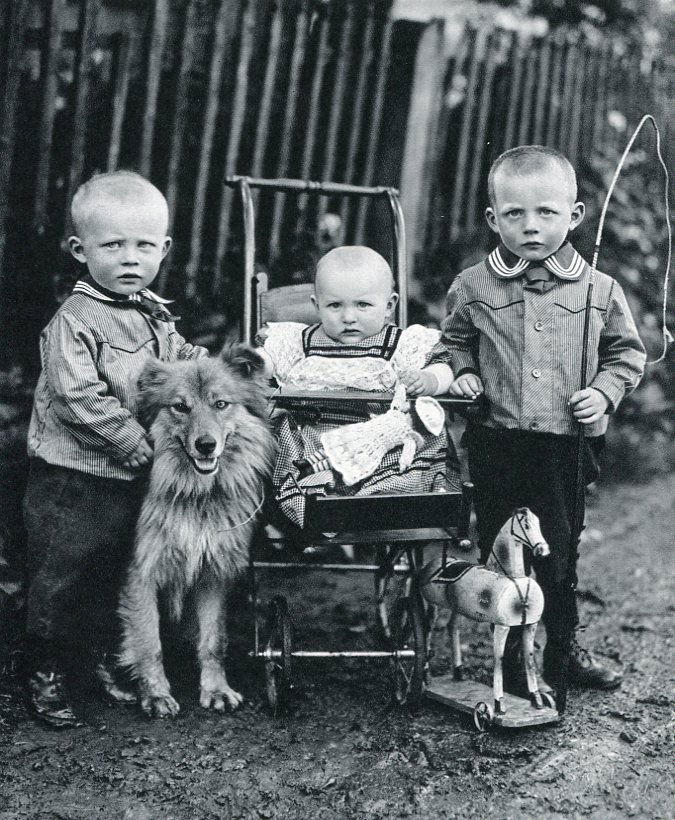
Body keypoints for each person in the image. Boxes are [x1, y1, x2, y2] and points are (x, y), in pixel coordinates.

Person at [443, 145, 646, 695]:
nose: (530, 227)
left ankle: (562, 652)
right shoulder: (473, 287)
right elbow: (453, 343)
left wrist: (603, 395)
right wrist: (462, 373)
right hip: (497, 441)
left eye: (546, 213)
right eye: (514, 214)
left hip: (565, 444)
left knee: (557, 552)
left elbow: (627, 354)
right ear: (493, 219)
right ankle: (510, 664)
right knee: (502, 551)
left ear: (574, 216)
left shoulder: (599, 290)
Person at [23, 171, 208, 727]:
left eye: (144, 246)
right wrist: (134, 442)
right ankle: (44, 668)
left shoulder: (152, 313)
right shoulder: (74, 321)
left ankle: (105, 656)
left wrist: (215, 370)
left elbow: (183, 360)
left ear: (164, 249)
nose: (130, 258)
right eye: (113, 245)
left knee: (116, 568)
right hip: (73, 478)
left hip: (131, 479)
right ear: (80, 250)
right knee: (64, 571)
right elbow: (76, 396)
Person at [256, 245, 460, 530]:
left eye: (363, 305)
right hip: (315, 441)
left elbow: (444, 366)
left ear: (389, 306)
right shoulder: (298, 342)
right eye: (334, 306)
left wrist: (429, 380)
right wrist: (256, 364)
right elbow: (268, 360)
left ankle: (371, 505)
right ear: (316, 306)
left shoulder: (402, 345)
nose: (348, 317)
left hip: (379, 443)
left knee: (419, 434)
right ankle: (318, 508)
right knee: (281, 436)